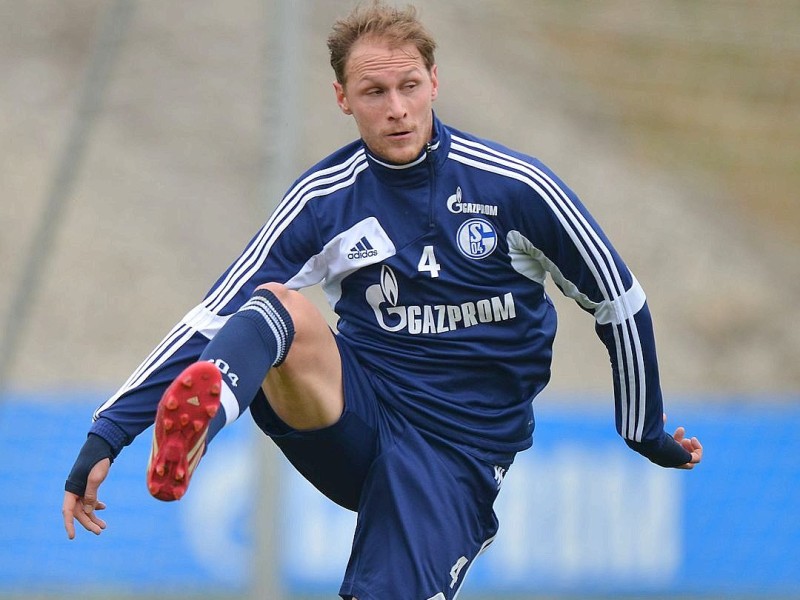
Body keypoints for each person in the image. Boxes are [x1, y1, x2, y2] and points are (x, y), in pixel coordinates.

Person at [62, 2, 703, 598]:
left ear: (434, 82)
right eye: (374, 92)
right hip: (359, 414)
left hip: (460, 448)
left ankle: (214, 414)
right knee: (270, 306)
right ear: (343, 98)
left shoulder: (517, 188)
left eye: (409, 87)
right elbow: (213, 313)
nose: (396, 107)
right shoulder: (325, 199)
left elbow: (617, 298)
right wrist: (109, 432)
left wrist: (641, 427)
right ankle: (205, 418)